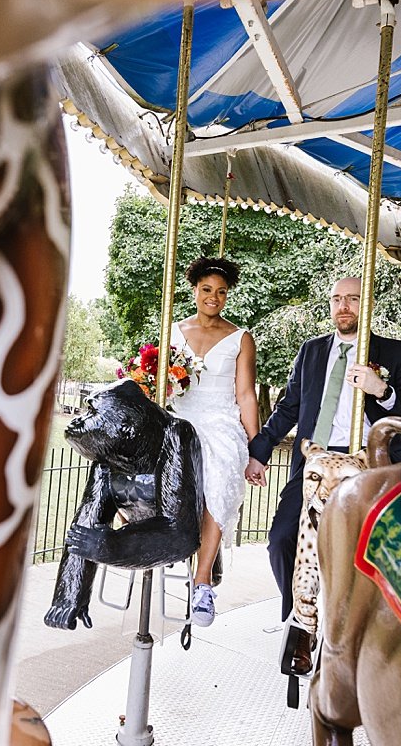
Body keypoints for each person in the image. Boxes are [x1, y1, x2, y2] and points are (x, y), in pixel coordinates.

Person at [246, 276, 401, 622]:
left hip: (368, 461)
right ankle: (300, 619)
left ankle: (363, 624)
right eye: (337, 299)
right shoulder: (312, 351)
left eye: (353, 299)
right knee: (282, 540)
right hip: (320, 459)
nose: (343, 306)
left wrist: (381, 391)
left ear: (368, 304)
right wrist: (260, 451)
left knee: (373, 550)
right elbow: (288, 408)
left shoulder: (396, 354)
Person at [170, 256, 263, 627]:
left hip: (220, 418)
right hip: (181, 413)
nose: (213, 297)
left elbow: (245, 395)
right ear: (195, 290)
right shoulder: (173, 329)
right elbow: (159, 379)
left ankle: (203, 579)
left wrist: (256, 449)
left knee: (223, 469)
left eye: (221, 292)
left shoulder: (241, 337)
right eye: (207, 290)